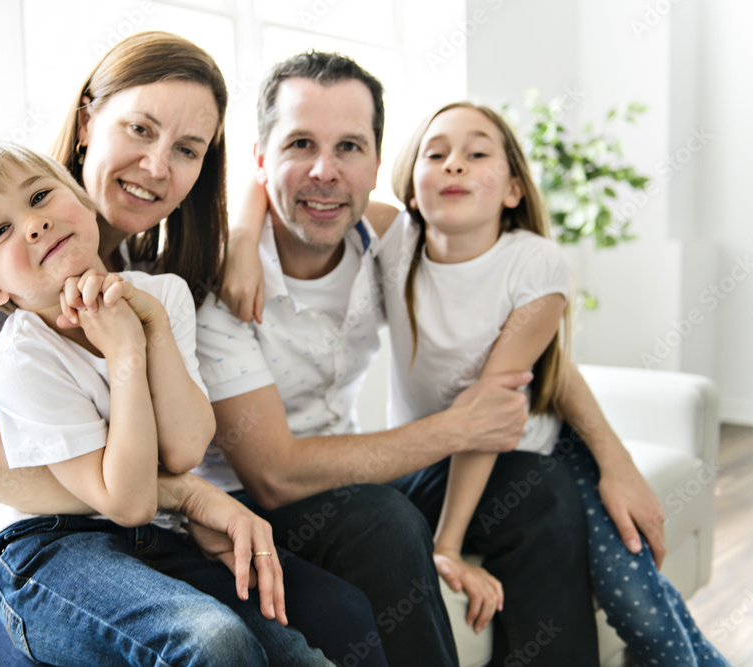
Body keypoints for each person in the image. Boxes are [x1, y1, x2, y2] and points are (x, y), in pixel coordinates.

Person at [0, 32, 383, 667]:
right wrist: (185, 495)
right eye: (139, 129)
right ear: (86, 123)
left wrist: (242, 232)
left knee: (338, 613)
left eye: (187, 150)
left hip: (135, 539)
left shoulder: (147, 275)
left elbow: (179, 438)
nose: (158, 167)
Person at [197, 50, 606, 665]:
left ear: (377, 163)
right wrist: (239, 235)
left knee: (538, 486)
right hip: (251, 510)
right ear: (261, 159)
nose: (325, 172)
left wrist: (615, 460)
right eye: (300, 143)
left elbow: (519, 336)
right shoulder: (217, 282)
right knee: (382, 519)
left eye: (350, 148)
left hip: (350, 474)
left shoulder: (389, 242)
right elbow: (273, 476)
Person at [382, 100, 730, 667]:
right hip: (448, 456)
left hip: (536, 446)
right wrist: (245, 236)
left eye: (476, 153)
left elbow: (487, 415)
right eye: (436, 153)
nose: (453, 165)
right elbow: (279, 183)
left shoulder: (536, 263)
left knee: (637, 598)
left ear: (514, 190)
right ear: (412, 188)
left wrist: (448, 542)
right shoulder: (394, 242)